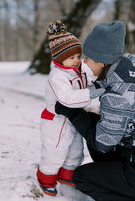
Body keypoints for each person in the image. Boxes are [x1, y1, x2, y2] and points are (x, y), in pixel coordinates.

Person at [54, 21, 135, 201]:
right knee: (96, 133)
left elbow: (103, 143)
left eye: (88, 58)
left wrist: (71, 111)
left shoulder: (117, 94)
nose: (84, 62)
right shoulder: (129, 74)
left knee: (83, 177)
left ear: (102, 61)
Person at [37, 21, 105, 196]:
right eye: (71, 58)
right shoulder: (57, 76)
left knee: (76, 149)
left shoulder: (77, 69)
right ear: (60, 58)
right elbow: (66, 98)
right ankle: (46, 177)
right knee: (55, 151)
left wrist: (94, 86)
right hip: (56, 121)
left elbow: (86, 82)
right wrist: (91, 94)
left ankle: (67, 174)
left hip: (73, 117)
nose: (76, 61)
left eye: (78, 56)